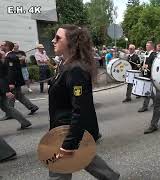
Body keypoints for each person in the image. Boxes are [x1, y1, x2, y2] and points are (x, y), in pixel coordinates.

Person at [49, 24, 120, 180]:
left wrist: (68, 144)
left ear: (71, 43)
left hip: (67, 131)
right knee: (85, 158)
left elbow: (80, 110)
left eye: (58, 38)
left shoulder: (75, 70)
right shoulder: (66, 64)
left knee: (59, 170)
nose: (53, 40)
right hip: (64, 128)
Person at [1, 41, 39, 120]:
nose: (1, 46)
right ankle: (32, 107)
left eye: (3, 45)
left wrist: (11, 83)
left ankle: (10, 113)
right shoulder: (11, 56)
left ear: (7, 47)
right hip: (16, 81)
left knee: (11, 97)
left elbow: (11, 71)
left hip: (13, 82)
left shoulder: (10, 57)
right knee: (19, 95)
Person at [138, 41, 156, 113]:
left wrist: (148, 66)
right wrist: (141, 65)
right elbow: (144, 61)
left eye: (148, 45)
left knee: (147, 90)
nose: (146, 46)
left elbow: (154, 64)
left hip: (150, 74)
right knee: (149, 90)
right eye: (146, 45)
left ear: (151, 46)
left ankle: (145, 106)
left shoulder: (153, 54)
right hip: (145, 73)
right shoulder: (146, 53)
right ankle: (155, 101)